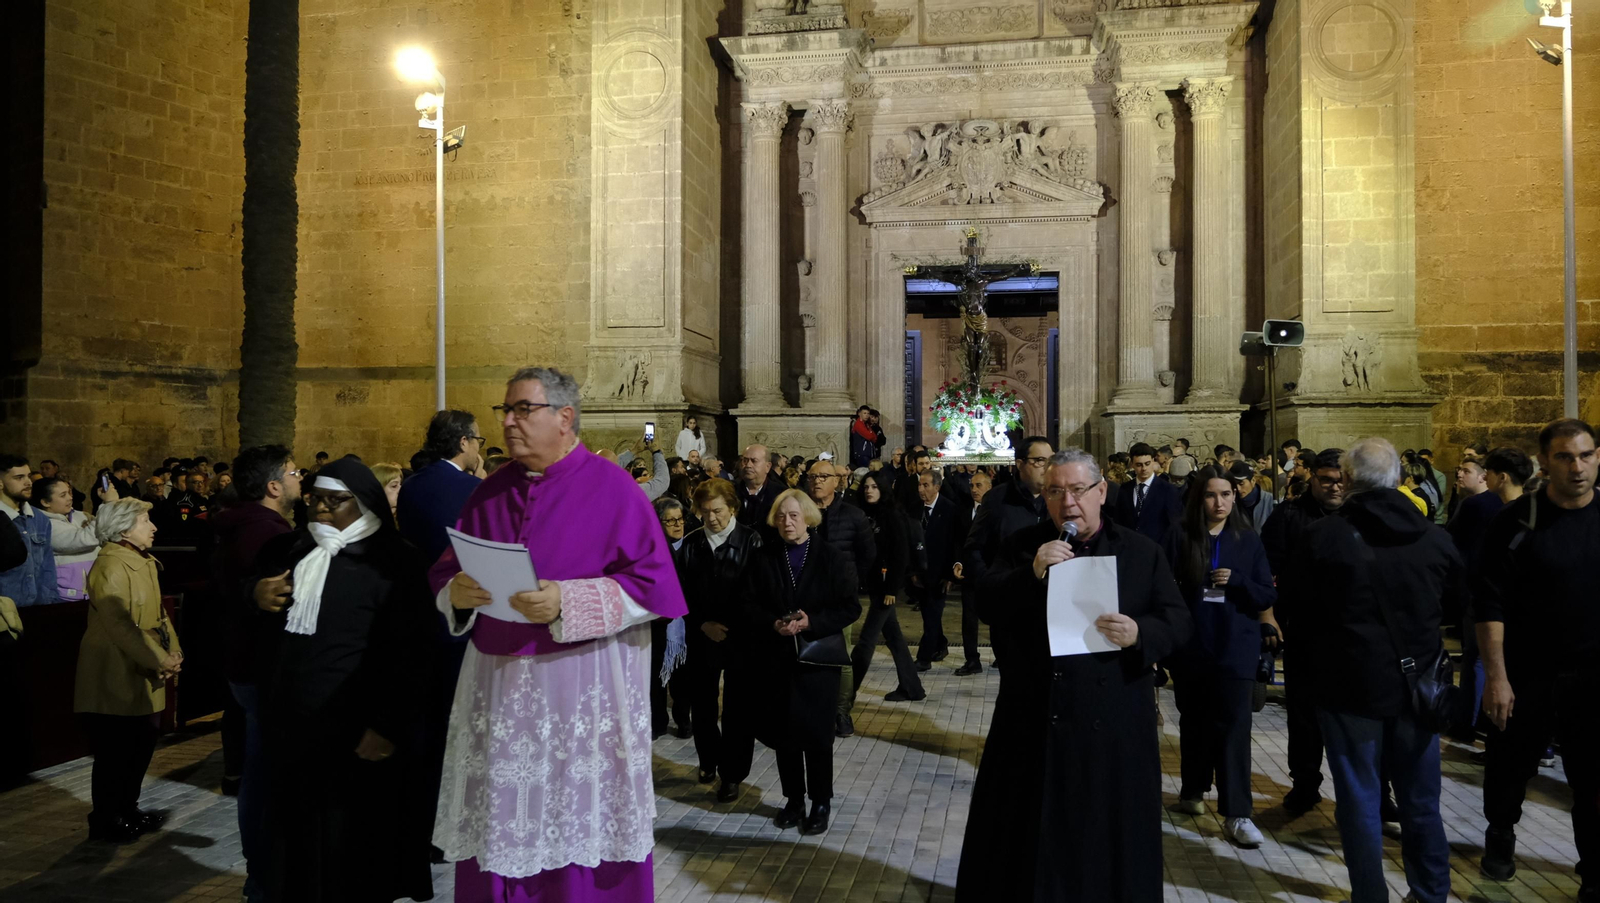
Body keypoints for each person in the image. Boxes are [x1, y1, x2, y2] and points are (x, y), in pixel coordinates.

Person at [430, 367, 686, 901]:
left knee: (575, 821)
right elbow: (448, 567)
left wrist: (567, 600)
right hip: (499, 690)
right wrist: (455, 591)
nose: (509, 422)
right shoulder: (491, 490)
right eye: (505, 411)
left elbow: (653, 587)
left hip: (578, 689)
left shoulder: (613, 487)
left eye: (523, 409)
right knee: (504, 817)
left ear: (564, 418)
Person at [956, 449, 1191, 901]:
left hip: (1114, 722)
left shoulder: (1141, 552)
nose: (1069, 503)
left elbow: (1178, 621)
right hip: (1036, 717)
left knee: (1106, 835)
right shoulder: (1024, 547)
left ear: (1102, 491)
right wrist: (1032, 573)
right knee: (1032, 836)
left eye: (1079, 490)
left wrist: (1141, 632)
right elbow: (986, 603)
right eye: (1056, 492)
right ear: (1044, 498)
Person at [247, 457, 438, 903]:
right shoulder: (288, 551)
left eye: (337, 501)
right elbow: (243, 613)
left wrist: (388, 726)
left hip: (359, 731)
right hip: (294, 729)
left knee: (355, 853)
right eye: (316, 499)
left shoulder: (395, 561)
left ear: (365, 503)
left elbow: (412, 654)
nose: (322, 509)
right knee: (296, 850)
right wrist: (252, 593)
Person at [1297, 439, 1461, 903]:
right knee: (1421, 801)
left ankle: (1370, 896)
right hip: (1417, 691)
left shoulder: (1322, 537)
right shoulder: (1435, 538)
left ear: (1346, 481)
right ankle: (1430, 893)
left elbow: (1300, 612)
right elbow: (1452, 606)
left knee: (1360, 802)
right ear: (1397, 480)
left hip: (1349, 690)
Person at [1475, 419, 1598, 897]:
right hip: (1528, 674)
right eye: (1565, 457)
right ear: (1544, 463)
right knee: (1510, 769)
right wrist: (1497, 679)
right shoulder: (1515, 522)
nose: (1577, 467)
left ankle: (1592, 870)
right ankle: (1500, 835)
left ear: (1598, 456)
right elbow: (1490, 603)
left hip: (1592, 678)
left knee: (1591, 782)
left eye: (1585, 455)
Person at [1163, 466, 1276, 848]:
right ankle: (1192, 792)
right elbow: (1164, 591)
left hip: (1235, 650)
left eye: (1226, 494)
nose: (1220, 502)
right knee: (1193, 724)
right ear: (1200, 498)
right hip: (1193, 649)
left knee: (1233, 732)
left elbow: (1265, 595)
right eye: (1212, 495)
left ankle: (1237, 813)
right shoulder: (1180, 536)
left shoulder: (1248, 540)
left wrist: (1238, 581)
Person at [740, 490, 862, 836]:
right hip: (777, 658)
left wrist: (812, 622)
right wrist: (772, 623)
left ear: (807, 517)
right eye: (780, 516)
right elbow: (747, 603)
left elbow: (850, 607)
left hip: (817, 661)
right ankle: (794, 799)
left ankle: (820, 801)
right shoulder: (764, 557)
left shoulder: (830, 558)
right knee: (785, 734)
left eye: (793, 515)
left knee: (818, 736)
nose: (787, 522)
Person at [211, 445, 299, 903]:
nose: (298, 478)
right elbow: (270, 602)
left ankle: (264, 877)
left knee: (259, 771)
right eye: (292, 472)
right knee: (265, 778)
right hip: (262, 668)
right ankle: (264, 880)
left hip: (245, 666)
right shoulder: (264, 532)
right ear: (272, 486)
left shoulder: (243, 523)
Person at [74, 497, 183, 843]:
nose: (153, 527)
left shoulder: (141, 561)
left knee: (139, 746)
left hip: (142, 665)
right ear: (123, 528)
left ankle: (128, 809)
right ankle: (107, 818)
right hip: (115, 668)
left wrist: (174, 649)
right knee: (115, 750)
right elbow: (120, 623)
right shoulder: (110, 566)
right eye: (145, 521)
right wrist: (159, 658)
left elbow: (159, 614)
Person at [1259, 446, 1344, 813]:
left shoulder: (1362, 515)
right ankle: (1305, 783)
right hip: (1305, 629)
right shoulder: (1289, 515)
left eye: (1342, 481)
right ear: (1313, 477)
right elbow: (1265, 568)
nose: (1335, 488)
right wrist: (1269, 617)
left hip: (1351, 633)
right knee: (1304, 714)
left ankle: (1377, 790)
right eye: (1326, 480)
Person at [677, 478, 763, 802]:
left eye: (717, 511)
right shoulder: (692, 544)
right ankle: (708, 759)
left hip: (741, 638)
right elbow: (681, 592)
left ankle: (732, 774)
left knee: (738, 710)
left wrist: (734, 626)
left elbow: (757, 594)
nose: (711, 518)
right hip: (702, 635)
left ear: (732, 508)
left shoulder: (752, 542)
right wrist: (702, 624)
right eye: (705, 512)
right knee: (703, 704)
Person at [963, 437, 1054, 673]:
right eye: (1040, 460)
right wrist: (989, 584)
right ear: (1020, 464)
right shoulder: (997, 499)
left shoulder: (1056, 498)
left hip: (1051, 605)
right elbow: (974, 547)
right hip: (1011, 603)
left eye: (1051, 460)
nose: (1047, 466)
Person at [807, 460, 876, 736]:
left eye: (824, 476)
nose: (818, 482)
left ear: (837, 481)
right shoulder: (800, 511)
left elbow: (867, 555)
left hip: (839, 596)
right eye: (813, 477)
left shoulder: (853, 515)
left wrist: (850, 581)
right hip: (805, 594)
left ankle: (841, 711)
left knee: (840, 653)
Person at [849, 470, 925, 703]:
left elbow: (900, 555)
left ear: (883, 489)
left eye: (874, 487)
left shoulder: (892, 515)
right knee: (894, 637)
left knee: (866, 641)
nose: (869, 491)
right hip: (874, 585)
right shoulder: (867, 514)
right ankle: (912, 688)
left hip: (885, 588)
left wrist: (892, 589)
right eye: (866, 487)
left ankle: (845, 694)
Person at [397, 409, 486, 563]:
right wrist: (480, 486)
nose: (479, 448)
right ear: (463, 442)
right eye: (478, 440)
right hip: (453, 579)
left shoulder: (409, 483)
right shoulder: (474, 488)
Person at [912, 468, 968, 672]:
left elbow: (956, 543)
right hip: (919, 573)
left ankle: (923, 658)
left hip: (940, 573)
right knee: (928, 614)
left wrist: (951, 573)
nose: (921, 489)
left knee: (933, 614)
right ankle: (941, 644)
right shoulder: (915, 509)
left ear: (937, 487)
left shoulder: (950, 509)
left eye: (925, 485)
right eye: (919, 484)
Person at [651, 496, 692, 740]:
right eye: (670, 521)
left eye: (680, 519)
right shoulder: (653, 548)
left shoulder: (693, 545)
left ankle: (683, 719)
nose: (677, 525)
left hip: (685, 623)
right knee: (656, 677)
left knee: (683, 677)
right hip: (658, 623)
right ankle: (657, 722)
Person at [0, 454, 61, 607]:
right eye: (19, 477)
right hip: (6, 610)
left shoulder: (39, 518)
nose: (28, 482)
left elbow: (48, 566)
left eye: (28, 476)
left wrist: (51, 600)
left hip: (39, 607)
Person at [34, 476, 102, 600]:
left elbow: (106, 531)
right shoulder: (45, 525)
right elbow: (84, 539)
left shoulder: (81, 516)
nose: (70, 498)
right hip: (69, 596)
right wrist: (108, 505)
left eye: (69, 493)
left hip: (94, 592)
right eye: (63, 495)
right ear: (45, 502)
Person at [1113, 442, 1183, 547]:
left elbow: (1174, 526)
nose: (1144, 469)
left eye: (1147, 463)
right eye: (1139, 465)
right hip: (1130, 549)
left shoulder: (1167, 490)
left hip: (1157, 549)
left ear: (1153, 461)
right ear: (1132, 464)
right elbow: (1119, 521)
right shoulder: (1125, 489)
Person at [735, 443, 781, 531]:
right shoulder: (729, 491)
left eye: (754, 461)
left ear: (767, 466)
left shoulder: (781, 494)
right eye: (745, 460)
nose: (748, 465)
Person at [1228, 460, 1276, 533]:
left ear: (1253, 481)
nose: (1238, 488)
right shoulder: (1229, 503)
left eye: (1241, 484)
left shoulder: (1271, 501)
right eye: (1234, 485)